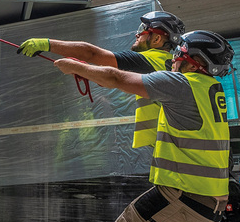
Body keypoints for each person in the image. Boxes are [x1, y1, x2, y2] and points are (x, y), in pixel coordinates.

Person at [43, 30, 235, 222]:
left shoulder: (181, 84)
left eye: (180, 53)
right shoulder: (212, 89)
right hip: (210, 208)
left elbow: (115, 77)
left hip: (181, 197)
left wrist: (74, 66)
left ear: (193, 60)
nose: (175, 57)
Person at [17, 10, 186, 150]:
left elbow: (92, 54)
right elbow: (112, 77)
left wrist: (46, 44)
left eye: (143, 29)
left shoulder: (150, 60)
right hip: (172, 143)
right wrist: (88, 71)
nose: (137, 34)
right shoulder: (168, 66)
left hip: (168, 146)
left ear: (156, 39)